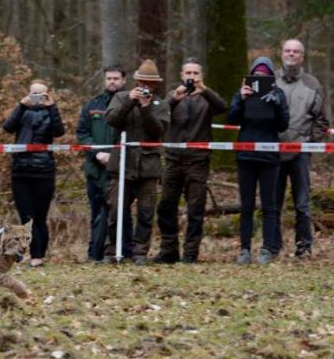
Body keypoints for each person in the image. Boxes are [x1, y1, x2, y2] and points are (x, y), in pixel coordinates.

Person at [154, 58, 228, 264]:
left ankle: (190, 253)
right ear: (181, 75)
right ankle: (169, 250)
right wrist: (175, 99)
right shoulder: (173, 95)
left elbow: (223, 107)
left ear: (201, 76)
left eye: (196, 73)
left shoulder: (206, 98)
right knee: (166, 206)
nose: (192, 77)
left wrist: (204, 90)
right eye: (188, 73)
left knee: (195, 208)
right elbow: (158, 113)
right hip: (173, 160)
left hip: (198, 161)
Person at [103, 59, 170, 265]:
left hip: (148, 167)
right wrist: (130, 102)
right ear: (136, 82)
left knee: (146, 212)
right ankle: (113, 250)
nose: (145, 87)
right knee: (116, 210)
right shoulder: (120, 97)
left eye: (149, 84)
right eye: (142, 83)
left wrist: (145, 108)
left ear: (155, 85)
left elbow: (158, 131)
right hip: (122, 164)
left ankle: (140, 252)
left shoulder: (161, 104)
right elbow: (112, 120)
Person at [227, 56, 289, 265]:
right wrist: (240, 99)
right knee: (246, 205)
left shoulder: (278, 94)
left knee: (270, 206)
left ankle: (267, 249)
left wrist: (278, 105)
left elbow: (283, 125)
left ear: (270, 77)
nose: (260, 77)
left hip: (269, 157)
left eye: (264, 75)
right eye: (257, 74)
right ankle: (244, 249)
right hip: (246, 155)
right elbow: (231, 119)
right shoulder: (243, 93)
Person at [274, 39, 330, 258]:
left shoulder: (312, 84)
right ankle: (272, 247)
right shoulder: (269, 81)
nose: (291, 54)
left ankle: (304, 247)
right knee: (272, 204)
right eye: (288, 50)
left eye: (296, 51)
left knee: (302, 204)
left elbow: (322, 120)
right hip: (273, 151)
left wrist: (310, 143)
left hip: (300, 152)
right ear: (281, 54)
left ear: (302, 56)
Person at [2, 79, 65, 267]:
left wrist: (52, 107)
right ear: (28, 94)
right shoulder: (22, 111)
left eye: (41, 94)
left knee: (39, 217)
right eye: (34, 94)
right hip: (20, 171)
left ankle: (38, 256)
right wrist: (21, 106)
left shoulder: (51, 111)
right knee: (26, 218)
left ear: (47, 95)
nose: (37, 98)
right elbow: (8, 127)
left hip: (44, 171)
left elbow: (59, 131)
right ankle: (28, 254)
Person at [76, 65, 126, 262]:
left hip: (120, 168)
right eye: (109, 78)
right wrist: (97, 152)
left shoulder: (129, 103)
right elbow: (82, 133)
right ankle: (94, 254)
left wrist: (113, 156)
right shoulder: (92, 105)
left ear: (123, 80)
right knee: (97, 213)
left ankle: (119, 252)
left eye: (116, 78)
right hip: (95, 168)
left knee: (119, 214)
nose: (112, 82)